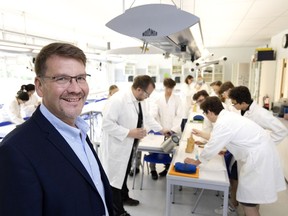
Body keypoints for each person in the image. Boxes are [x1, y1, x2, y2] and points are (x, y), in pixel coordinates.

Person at [0, 42, 114, 216]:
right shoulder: (15, 152)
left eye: (80, 78)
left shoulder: (79, 131)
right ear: (39, 86)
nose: (75, 89)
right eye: (62, 79)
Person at [184, 96, 286, 216]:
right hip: (260, 154)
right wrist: (225, 148)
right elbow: (229, 138)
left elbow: (212, 145)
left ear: (210, 112)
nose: (206, 116)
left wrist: (196, 162)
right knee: (251, 198)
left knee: (248, 200)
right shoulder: (228, 117)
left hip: (258, 158)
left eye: (205, 114)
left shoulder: (223, 123)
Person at [100, 75, 169, 216]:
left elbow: (148, 118)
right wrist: (129, 132)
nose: (148, 97)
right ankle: (117, 211)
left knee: (123, 174)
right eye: (147, 94)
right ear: (139, 89)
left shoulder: (140, 100)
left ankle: (124, 197)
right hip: (117, 148)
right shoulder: (117, 100)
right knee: (114, 179)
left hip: (130, 146)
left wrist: (161, 129)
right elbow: (107, 124)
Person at [149, 78, 182, 180]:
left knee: (170, 150)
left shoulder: (177, 99)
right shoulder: (158, 99)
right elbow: (154, 113)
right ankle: (153, 169)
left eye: (171, 88)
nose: (169, 90)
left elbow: (179, 115)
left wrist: (173, 129)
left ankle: (167, 168)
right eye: (168, 88)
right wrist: (157, 127)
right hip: (160, 129)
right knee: (153, 149)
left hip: (172, 130)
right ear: (164, 87)